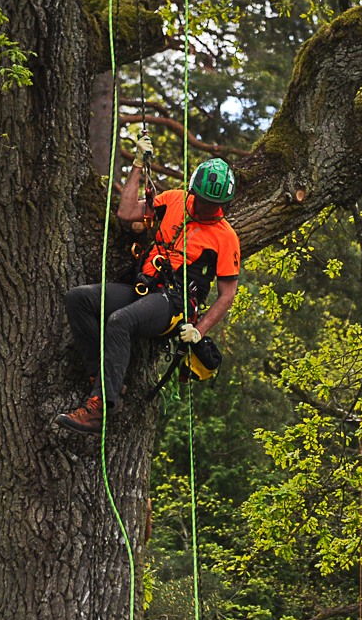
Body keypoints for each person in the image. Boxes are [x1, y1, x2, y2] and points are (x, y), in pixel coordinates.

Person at [56, 136, 241, 433]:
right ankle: (102, 377)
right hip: (144, 287)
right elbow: (126, 213)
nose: (207, 209)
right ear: (195, 191)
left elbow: (227, 294)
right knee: (79, 299)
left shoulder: (225, 236)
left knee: (119, 321)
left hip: (176, 302)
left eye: (215, 204)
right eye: (204, 201)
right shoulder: (175, 200)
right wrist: (138, 165)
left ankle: (103, 405)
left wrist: (199, 330)